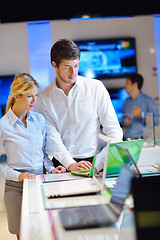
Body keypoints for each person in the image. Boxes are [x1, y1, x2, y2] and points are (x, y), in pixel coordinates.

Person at [36, 38, 123, 172]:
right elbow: (52, 138)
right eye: (67, 67)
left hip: (94, 163)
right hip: (62, 166)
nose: (73, 72)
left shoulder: (96, 88)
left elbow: (115, 132)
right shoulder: (44, 98)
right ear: (54, 65)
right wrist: (71, 164)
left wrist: (98, 165)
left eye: (76, 66)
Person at [0, 73, 66, 240]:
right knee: (24, 236)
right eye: (29, 96)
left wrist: (51, 169)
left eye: (35, 95)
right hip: (16, 189)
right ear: (16, 96)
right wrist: (19, 175)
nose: (34, 101)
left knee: (45, 232)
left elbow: (43, 154)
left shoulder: (39, 120)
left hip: (40, 183)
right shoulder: (3, 126)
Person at [122, 73, 159, 140]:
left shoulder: (148, 101)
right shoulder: (126, 102)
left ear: (135, 85)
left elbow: (156, 121)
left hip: (142, 141)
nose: (125, 86)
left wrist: (141, 115)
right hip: (126, 140)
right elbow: (123, 119)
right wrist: (125, 122)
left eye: (127, 83)